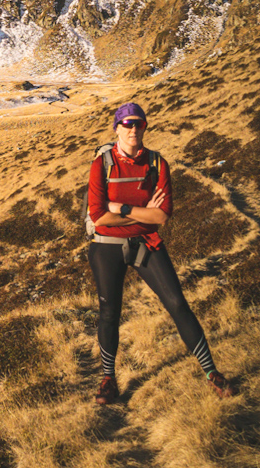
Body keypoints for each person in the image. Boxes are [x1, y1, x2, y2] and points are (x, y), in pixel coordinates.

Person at [86, 102, 235, 403]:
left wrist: (123, 209)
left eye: (138, 123)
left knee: (178, 304)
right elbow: (99, 216)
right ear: (116, 129)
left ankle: (211, 373)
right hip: (106, 246)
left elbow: (163, 216)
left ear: (144, 127)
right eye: (126, 124)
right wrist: (144, 213)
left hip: (146, 244)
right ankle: (107, 380)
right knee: (109, 313)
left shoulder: (156, 164)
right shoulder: (101, 165)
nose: (133, 129)